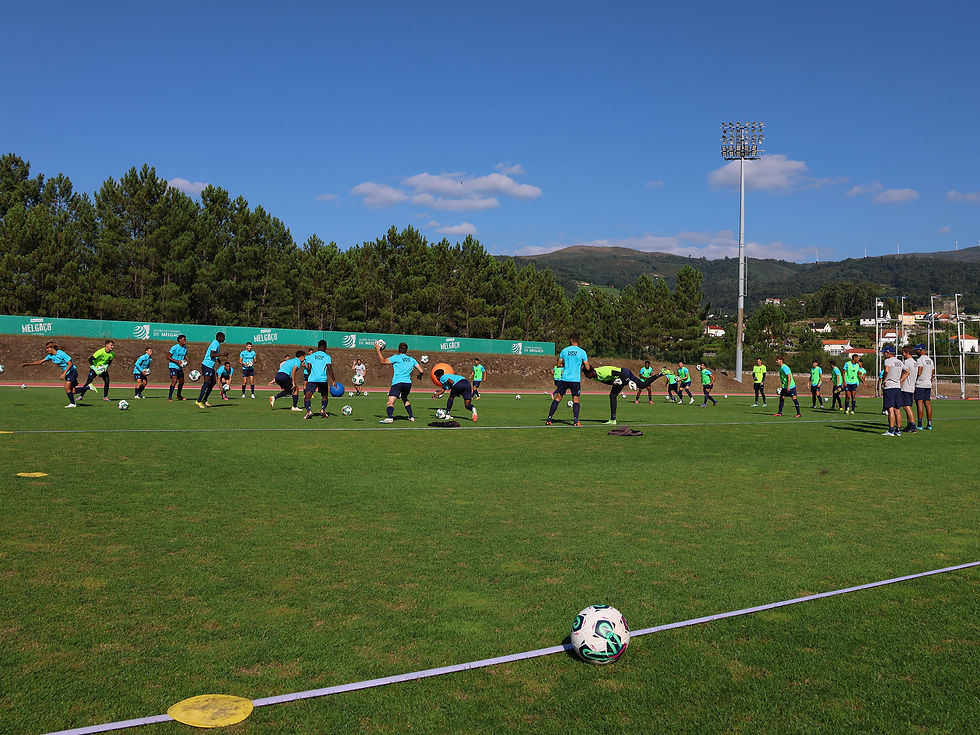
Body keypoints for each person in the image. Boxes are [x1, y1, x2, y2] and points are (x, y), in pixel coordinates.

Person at [586, 365, 660, 424]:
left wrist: (628, 381)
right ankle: (660, 374)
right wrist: (614, 382)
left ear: (591, 372)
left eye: (586, 374)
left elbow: (619, 373)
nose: (586, 376)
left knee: (613, 396)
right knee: (643, 385)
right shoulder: (595, 377)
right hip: (622, 374)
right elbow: (606, 381)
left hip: (623, 374)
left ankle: (613, 419)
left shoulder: (603, 372)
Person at [546, 335, 591, 426]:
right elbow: (587, 367)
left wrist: (564, 364)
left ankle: (549, 419)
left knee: (558, 398)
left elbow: (558, 364)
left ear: (571, 340)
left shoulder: (564, 350)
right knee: (575, 399)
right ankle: (575, 421)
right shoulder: (582, 352)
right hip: (575, 380)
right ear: (578, 341)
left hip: (565, 378)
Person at [375, 340, 424, 423]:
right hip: (408, 383)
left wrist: (378, 350)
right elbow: (421, 371)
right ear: (406, 350)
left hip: (398, 382)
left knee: (390, 402)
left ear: (398, 349)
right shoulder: (411, 359)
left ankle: (390, 417)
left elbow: (383, 361)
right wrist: (419, 376)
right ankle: (411, 417)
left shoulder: (396, 357)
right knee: (404, 398)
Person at [22, 342, 79, 408]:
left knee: (66, 386)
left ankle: (72, 403)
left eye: (48, 348)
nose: (47, 350)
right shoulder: (50, 356)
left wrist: (64, 373)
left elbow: (70, 364)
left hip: (72, 372)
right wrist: (28, 364)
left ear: (52, 348)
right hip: (67, 373)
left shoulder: (61, 353)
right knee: (73, 391)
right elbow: (40, 362)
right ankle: (88, 387)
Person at [303, 340, 339, 419]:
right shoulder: (327, 356)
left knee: (307, 396)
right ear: (325, 347)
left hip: (312, 379)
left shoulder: (311, 356)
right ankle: (323, 410)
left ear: (318, 347)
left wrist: (311, 373)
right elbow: (329, 369)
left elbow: (309, 368)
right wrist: (333, 380)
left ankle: (309, 411)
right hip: (322, 380)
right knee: (324, 396)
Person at [880, 345, 908, 437]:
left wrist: (884, 380)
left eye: (884, 352)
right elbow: (907, 372)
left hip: (889, 387)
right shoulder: (899, 362)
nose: (884, 354)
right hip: (897, 387)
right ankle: (898, 430)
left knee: (890, 409)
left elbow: (886, 370)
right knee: (897, 410)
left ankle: (891, 430)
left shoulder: (888, 361)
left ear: (888, 352)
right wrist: (900, 380)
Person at [196, 332, 227, 408]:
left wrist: (218, 359)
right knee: (206, 383)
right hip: (207, 365)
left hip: (210, 366)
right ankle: (199, 401)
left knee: (213, 382)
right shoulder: (215, 343)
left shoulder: (217, 343)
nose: (224, 339)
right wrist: (222, 354)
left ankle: (205, 399)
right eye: (223, 337)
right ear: (219, 337)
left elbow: (214, 355)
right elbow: (211, 354)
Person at [914, 343, 934, 430]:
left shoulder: (920, 360)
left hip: (920, 384)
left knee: (919, 404)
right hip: (928, 384)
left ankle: (919, 424)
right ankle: (929, 424)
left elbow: (919, 372)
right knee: (928, 404)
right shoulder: (930, 360)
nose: (916, 351)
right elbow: (932, 374)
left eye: (917, 350)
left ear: (921, 350)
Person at [900, 346, 918, 433]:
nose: (902, 354)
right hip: (911, 387)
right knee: (907, 406)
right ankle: (909, 425)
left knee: (906, 406)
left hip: (906, 387)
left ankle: (913, 425)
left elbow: (905, 372)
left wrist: (900, 381)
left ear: (906, 353)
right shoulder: (915, 362)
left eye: (903, 352)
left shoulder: (907, 362)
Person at [167, 335, 189, 402]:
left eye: (185, 339)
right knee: (174, 380)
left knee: (182, 382)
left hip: (179, 367)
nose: (185, 341)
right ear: (179, 340)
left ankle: (178, 395)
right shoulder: (175, 347)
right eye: (183, 339)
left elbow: (183, 357)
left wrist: (184, 362)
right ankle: (170, 397)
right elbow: (167, 356)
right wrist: (177, 361)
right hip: (173, 366)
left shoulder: (185, 348)